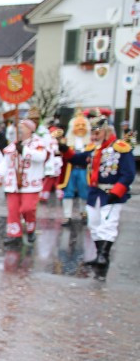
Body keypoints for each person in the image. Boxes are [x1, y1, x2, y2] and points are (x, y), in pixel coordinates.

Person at [62, 114, 136, 280]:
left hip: (111, 193)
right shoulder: (94, 148)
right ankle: (98, 255)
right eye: (93, 134)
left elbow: (128, 173)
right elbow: (76, 159)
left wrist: (117, 191)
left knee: (108, 225)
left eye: (97, 133)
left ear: (106, 131)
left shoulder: (120, 147)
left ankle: (104, 257)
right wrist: (64, 148)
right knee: (94, 224)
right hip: (95, 193)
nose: (94, 137)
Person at [1, 118, 53, 243]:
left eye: (22, 127)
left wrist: (24, 150)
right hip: (13, 184)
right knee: (13, 209)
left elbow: (41, 157)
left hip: (30, 184)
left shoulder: (38, 143)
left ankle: (30, 228)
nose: (19, 129)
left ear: (30, 130)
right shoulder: (13, 144)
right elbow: (5, 162)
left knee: (27, 209)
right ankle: (14, 235)